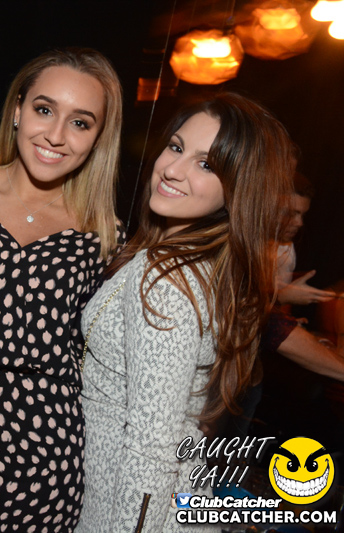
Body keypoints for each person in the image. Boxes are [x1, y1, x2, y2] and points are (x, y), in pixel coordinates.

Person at [75, 93, 294, 533]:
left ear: (237, 190)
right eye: (176, 147)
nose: (173, 169)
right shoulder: (193, 262)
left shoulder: (165, 279)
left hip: (132, 513)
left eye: (206, 164)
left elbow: (152, 451)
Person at [0, 48, 124, 532]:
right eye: (45, 109)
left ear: (98, 138)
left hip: (41, 453)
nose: (56, 135)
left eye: (80, 122)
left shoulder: (105, 237)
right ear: (18, 109)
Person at [274, 172, 335, 306]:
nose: (299, 223)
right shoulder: (239, 248)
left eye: (302, 215)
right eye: (291, 213)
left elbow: (278, 312)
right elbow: (236, 311)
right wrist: (282, 297)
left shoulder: (286, 250)